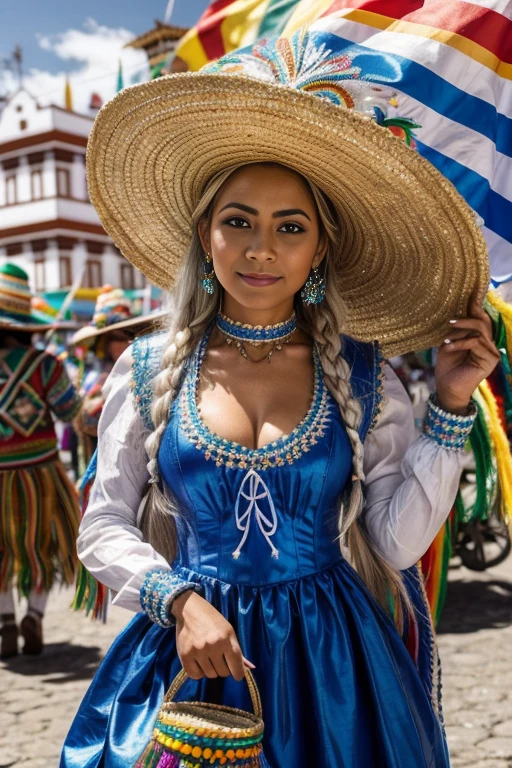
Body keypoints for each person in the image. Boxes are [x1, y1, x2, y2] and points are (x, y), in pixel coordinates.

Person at [61, 31, 499, 768]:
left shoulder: (365, 378)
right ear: (207, 234)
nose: (261, 248)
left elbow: (391, 544)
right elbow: (102, 523)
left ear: (319, 249)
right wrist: (179, 603)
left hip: (338, 671)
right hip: (188, 657)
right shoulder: (145, 372)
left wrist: (451, 405)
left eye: (289, 227)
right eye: (239, 221)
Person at [0, 263, 82, 658]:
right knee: (42, 545)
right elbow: (69, 411)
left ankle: (5, 621)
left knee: (2, 549)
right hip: (41, 472)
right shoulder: (45, 365)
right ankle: (34, 613)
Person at [72, 286, 165, 469]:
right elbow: (86, 420)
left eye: (131, 336)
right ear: (105, 343)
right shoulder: (95, 378)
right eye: (119, 337)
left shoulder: (147, 368)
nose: (128, 343)